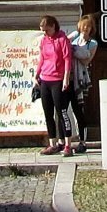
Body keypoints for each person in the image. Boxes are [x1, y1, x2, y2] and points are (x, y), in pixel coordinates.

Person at [32, 14, 72, 155]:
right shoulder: (44, 41)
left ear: (53, 26)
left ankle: (67, 144)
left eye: (46, 30)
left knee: (61, 112)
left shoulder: (62, 39)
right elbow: (42, 58)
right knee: (48, 112)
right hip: (45, 78)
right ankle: (52, 143)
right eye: (42, 30)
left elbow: (67, 59)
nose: (45, 33)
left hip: (58, 79)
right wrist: (37, 74)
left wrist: (66, 78)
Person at [63, 14, 101, 154]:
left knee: (79, 111)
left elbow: (86, 60)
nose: (85, 28)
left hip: (80, 79)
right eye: (83, 26)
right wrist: (72, 48)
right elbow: (63, 47)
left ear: (91, 28)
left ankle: (82, 141)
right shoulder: (73, 38)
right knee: (64, 110)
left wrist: (74, 51)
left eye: (88, 26)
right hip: (67, 78)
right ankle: (64, 141)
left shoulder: (92, 43)